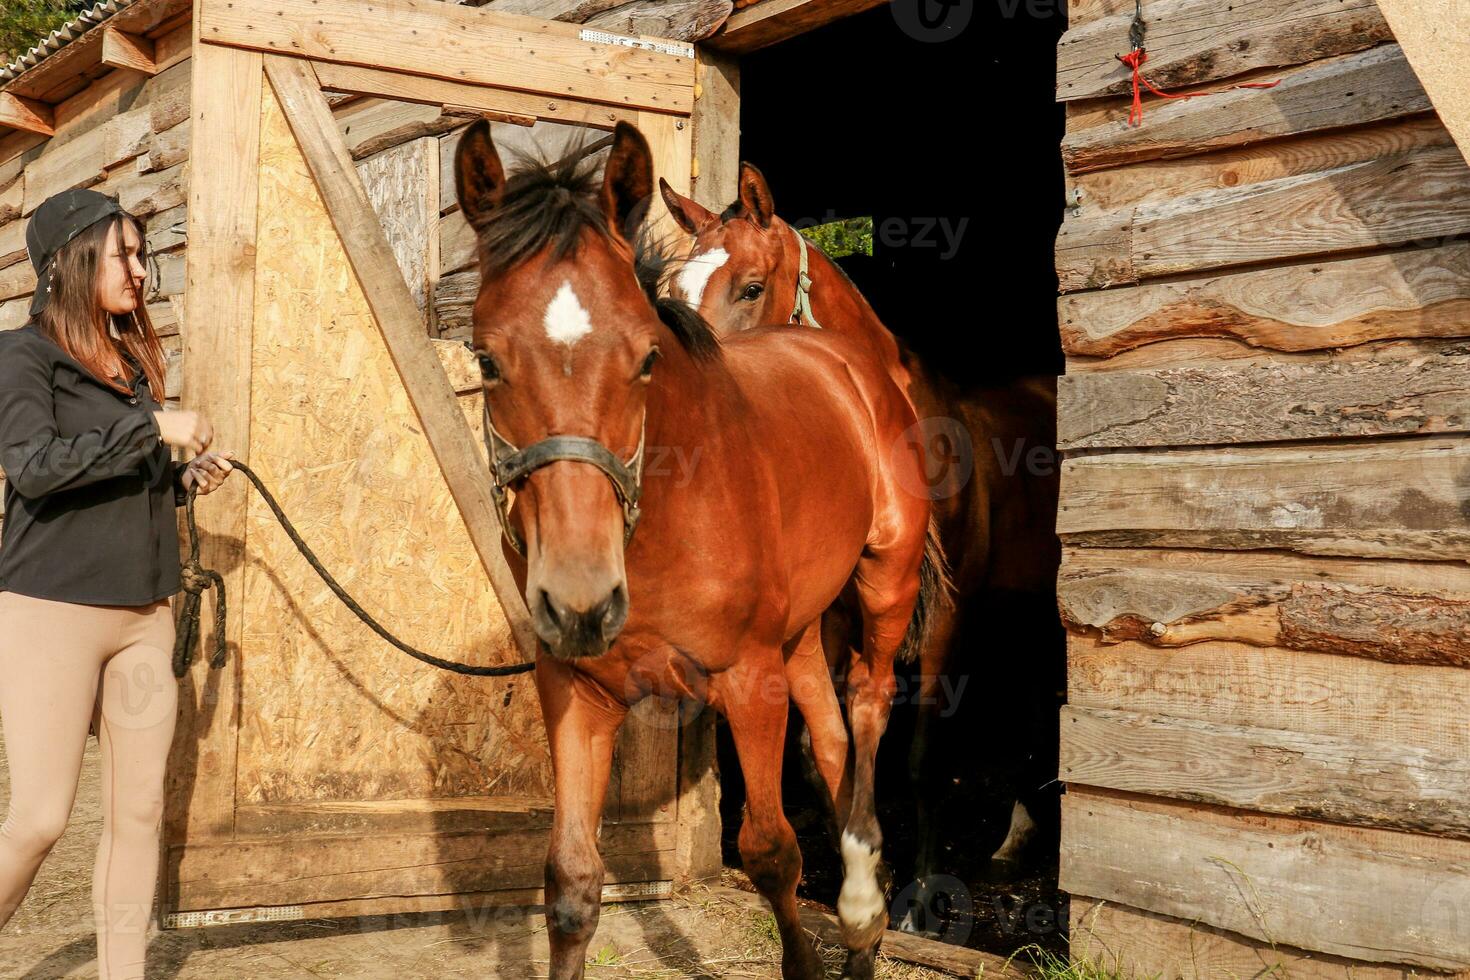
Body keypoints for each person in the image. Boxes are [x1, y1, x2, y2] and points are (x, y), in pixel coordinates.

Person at [0, 188, 236, 979]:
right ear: (71, 264)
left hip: (144, 613)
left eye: (142, 253)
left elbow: (113, 478)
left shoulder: (127, 362)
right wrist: (152, 428)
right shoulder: (20, 356)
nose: (140, 269)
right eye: (124, 253)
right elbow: (34, 470)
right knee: (38, 818)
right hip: (51, 612)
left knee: (138, 814)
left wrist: (177, 480)